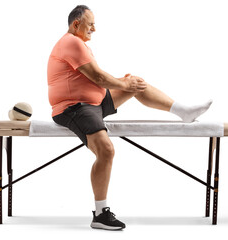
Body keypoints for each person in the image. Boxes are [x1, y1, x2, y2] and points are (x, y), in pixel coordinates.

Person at [47, 5, 212, 230]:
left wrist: (127, 83)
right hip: (74, 108)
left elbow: (96, 79)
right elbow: (97, 76)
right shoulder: (71, 42)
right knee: (106, 150)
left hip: (94, 103)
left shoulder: (78, 43)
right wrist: (123, 83)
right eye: (90, 23)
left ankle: (183, 111)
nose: (94, 28)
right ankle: (100, 214)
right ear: (76, 24)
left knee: (136, 83)